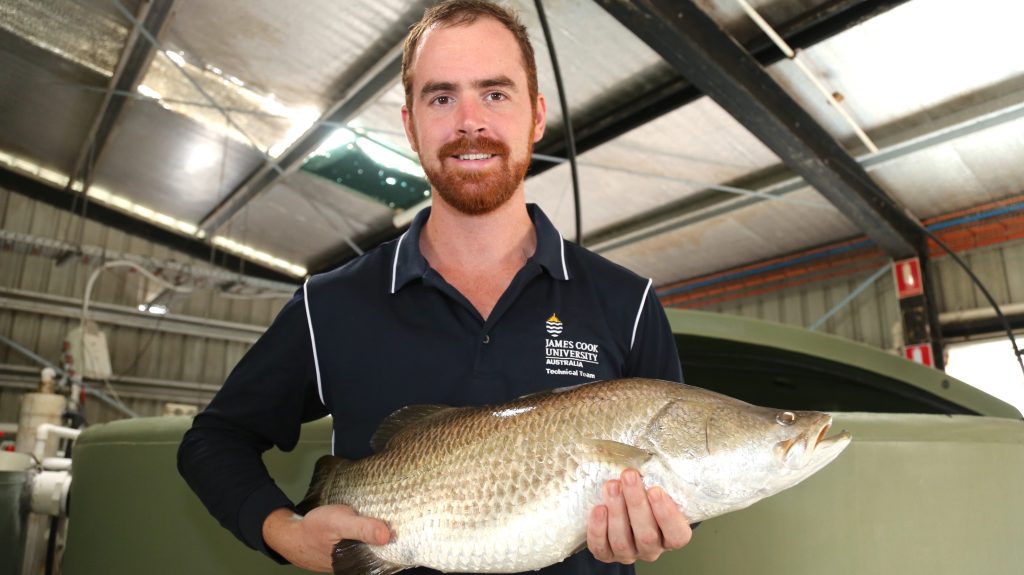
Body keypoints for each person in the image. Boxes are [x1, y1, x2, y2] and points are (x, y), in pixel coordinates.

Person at [178, 1, 692, 573]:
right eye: (441, 97)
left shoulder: (628, 303)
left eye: (495, 94)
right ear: (410, 126)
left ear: (537, 115)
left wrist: (658, 526)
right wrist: (285, 533)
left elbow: (676, 480)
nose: (470, 121)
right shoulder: (330, 304)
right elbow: (214, 440)